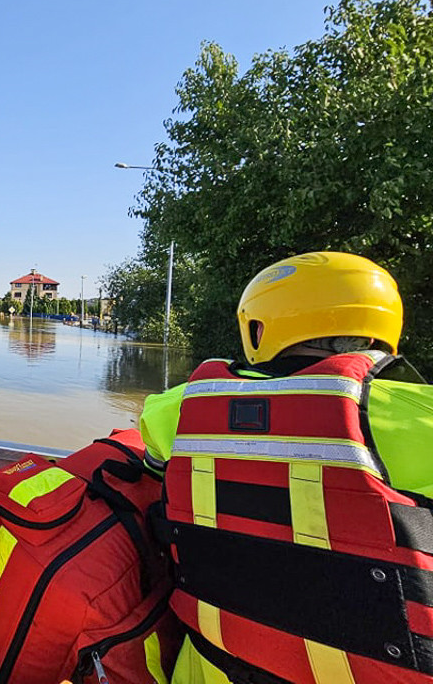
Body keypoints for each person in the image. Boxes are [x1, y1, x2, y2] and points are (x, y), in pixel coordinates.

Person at [139, 251, 433, 684]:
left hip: (207, 668)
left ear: (260, 326)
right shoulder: (419, 417)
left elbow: (155, 469)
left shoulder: (174, 411)